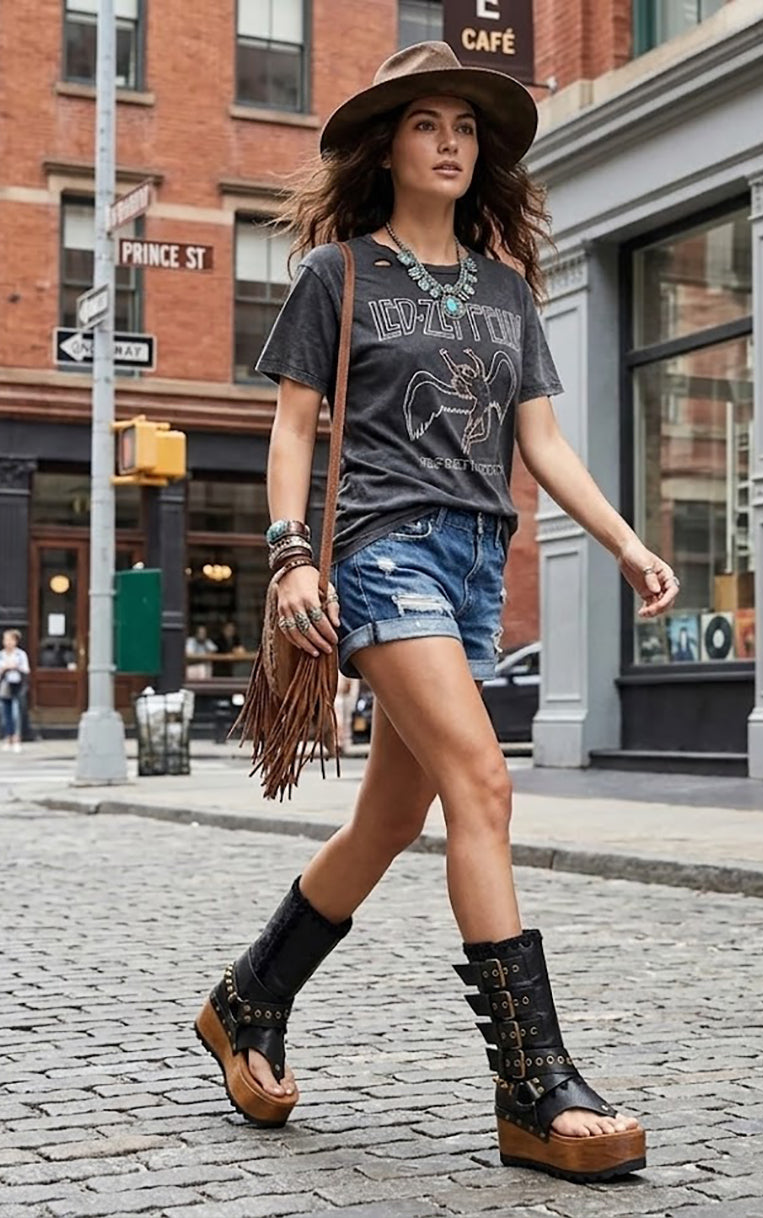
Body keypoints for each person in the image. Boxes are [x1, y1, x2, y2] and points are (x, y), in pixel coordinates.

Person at [192, 43, 680, 1184]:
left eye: (465, 126)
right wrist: (290, 556)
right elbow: (293, 428)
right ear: (388, 147)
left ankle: (247, 1000)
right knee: (484, 783)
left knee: (387, 823)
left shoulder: (508, 290)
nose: (451, 142)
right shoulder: (338, 274)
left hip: (472, 566)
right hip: (382, 550)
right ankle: (533, 1087)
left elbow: (541, 443)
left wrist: (625, 541)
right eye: (427, 124)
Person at [0, 629, 31, 753]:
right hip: (4, 686)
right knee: (5, 713)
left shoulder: (20, 655)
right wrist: (2, 670)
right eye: (6, 640)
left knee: (16, 713)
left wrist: (15, 666)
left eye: (10, 640)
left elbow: (26, 669)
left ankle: (16, 739)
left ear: (15, 641)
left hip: (17, 686)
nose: (8, 642)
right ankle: (7, 738)